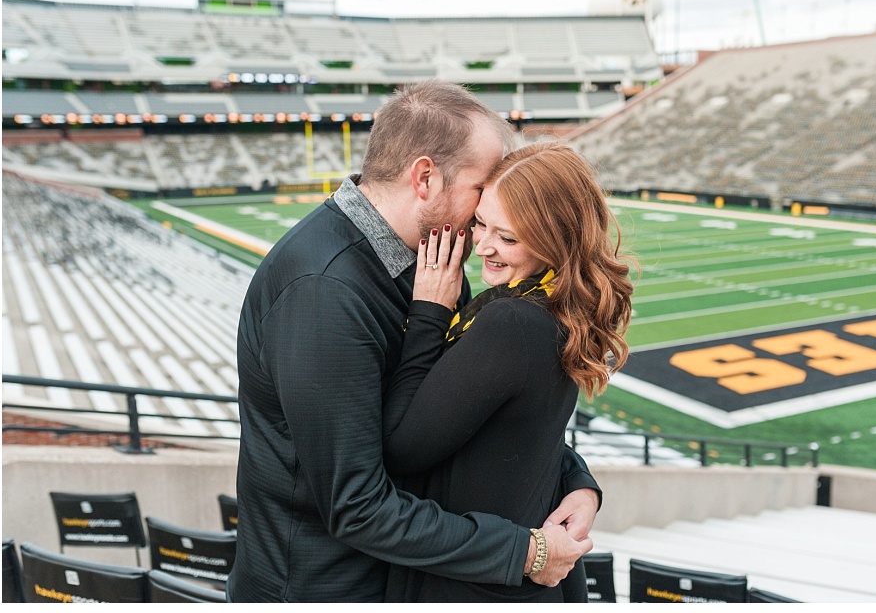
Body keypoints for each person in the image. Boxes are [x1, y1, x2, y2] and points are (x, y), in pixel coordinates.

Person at [228, 81, 602, 602]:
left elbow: (469, 413)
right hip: (325, 589)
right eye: (481, 185)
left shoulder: (436, 259)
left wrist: (575, 480)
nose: (488, 210)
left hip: (394, 578)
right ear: (425, 177)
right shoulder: (322, 292)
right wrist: (525, 552)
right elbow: (356, 505)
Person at [382, 142, 636, 602]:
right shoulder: (558, 304)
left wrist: (428, 314)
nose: (483, 246)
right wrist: (583, 485)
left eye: (508, 237)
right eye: (481, 223)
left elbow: (401, 449)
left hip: (479, 580)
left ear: (554, 241)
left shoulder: (511, 322)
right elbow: (525, 432)